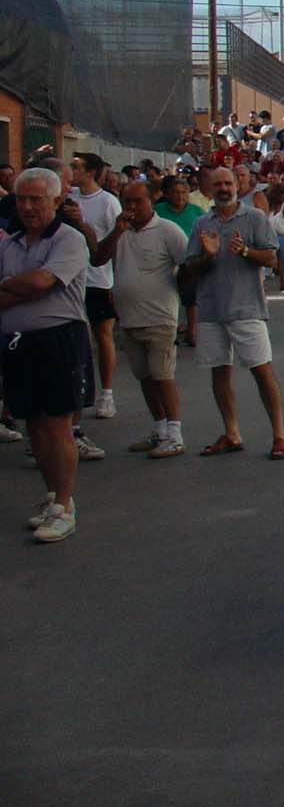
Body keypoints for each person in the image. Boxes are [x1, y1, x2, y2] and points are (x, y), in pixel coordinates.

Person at [1, 168, 94, 542]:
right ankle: (52, 496)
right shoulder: (10, 244)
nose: (27, 206)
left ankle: (65, 505)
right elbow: (26, 287)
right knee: (33, 424)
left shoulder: (68, 240)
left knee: (57, 425)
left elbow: (42, 282)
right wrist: (17, 287)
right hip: (16, 341)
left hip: (58, 340)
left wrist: (21, 285)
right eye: (22, 199)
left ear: (56, 201)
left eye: (36, 199)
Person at [178, 166, 284, 460]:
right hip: (211, 309)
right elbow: (190, 268)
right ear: (209, 189)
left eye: (229, 182)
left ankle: (279, 435)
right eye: (218, 184)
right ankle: (231, 433)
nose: (224, 188)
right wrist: (208, 255)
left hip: (247, 307)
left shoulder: (253, 217)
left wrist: (244, 252)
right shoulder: (202, 223)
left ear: (238, 185)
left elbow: (271, 258)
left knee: (262, 371)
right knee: (220, 373)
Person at [92, 180, 187, 458]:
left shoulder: (167, 230)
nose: (131, 207)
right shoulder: (121, 232)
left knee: (163, 376)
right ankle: (159, 429)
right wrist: (116, 232)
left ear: (151, 201)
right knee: (145, 377)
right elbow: (98, 259)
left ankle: (175, 433)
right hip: (129, 319)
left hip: (160, 317)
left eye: (137, 201)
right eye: (127, 202)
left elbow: (189, 264)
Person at [70, 152, 122, 420]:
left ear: (90, 172)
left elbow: (118, 240)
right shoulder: (69, 198)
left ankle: (107, 394)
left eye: (76, 167)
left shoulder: (108, 202)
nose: (72, 170)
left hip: (99, 279)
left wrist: (116, 282)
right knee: (77, 338)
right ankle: (78, 392)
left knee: (103, 336)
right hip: (70, 280)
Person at [156, 174, 204, 347]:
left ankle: (192, 331)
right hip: (164, 260)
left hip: (189, 258)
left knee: (191, 297)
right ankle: (172, 330)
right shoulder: (158, 210)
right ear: (168, 194)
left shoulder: (196, 212)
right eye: (175, 192)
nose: (180, 196)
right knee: (169, 297)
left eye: (184, 192)